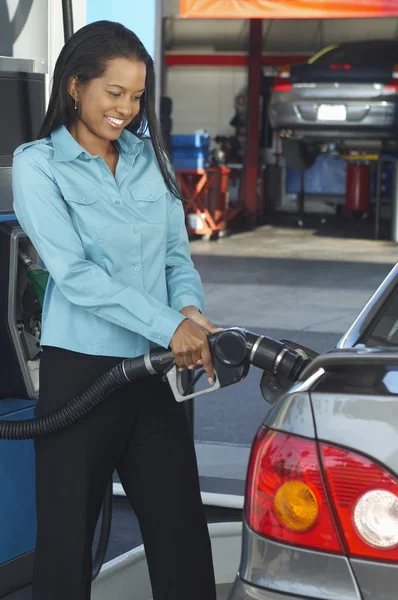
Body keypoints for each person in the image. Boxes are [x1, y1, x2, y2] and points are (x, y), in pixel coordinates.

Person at [12, 20, 218, 600]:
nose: (126, 108)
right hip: (81, 374)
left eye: (136, 95)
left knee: (181, 533)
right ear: (76, 86)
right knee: (65, 546)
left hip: (154, 373)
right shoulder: (38, 165)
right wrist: (168, 324)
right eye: (114, 93)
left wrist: (189, 311)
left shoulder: (147, 157)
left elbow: (177, 254)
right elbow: (75, 275)